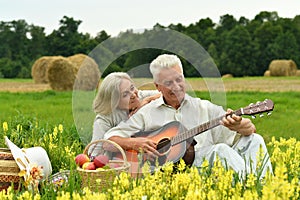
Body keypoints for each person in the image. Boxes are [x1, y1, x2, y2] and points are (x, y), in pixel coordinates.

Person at [104, 54, 273, 178]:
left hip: (214, 167)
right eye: (168, 83)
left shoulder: (203, 106)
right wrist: (136, 142)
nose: (176, 87)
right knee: (220, 150)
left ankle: (268, 191)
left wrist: (238, 125)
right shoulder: (147, 113)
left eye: (179, 80)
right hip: (183, 174)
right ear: (158, 87)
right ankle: (250, 192)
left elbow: (250, 129)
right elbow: (109, 139)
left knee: (255, 140)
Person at [90, 72, 160, 156]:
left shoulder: (140, 96)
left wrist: (148, 99)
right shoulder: (104, 119)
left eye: (132, 88)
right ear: (114, 101)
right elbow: (94, 153)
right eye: (125, 94)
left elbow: (171, 93)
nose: (133, 94)